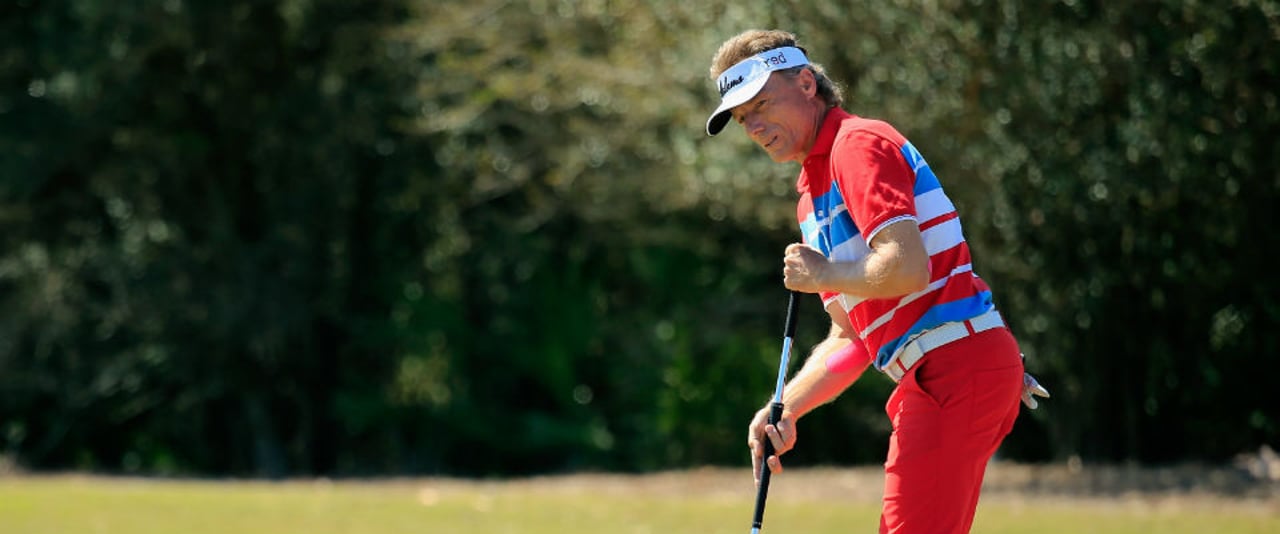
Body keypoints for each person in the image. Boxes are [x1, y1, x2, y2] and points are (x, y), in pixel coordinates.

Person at [704, 29, 1049, 534]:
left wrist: (822, 273)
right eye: (741, 117)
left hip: (955, 367)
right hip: (938, 374)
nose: (753, 125)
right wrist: (785, 409)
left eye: (760, 103)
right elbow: (852, 339)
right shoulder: (811, 197)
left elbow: (907, 267)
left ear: (805, 83)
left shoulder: (856, 145)